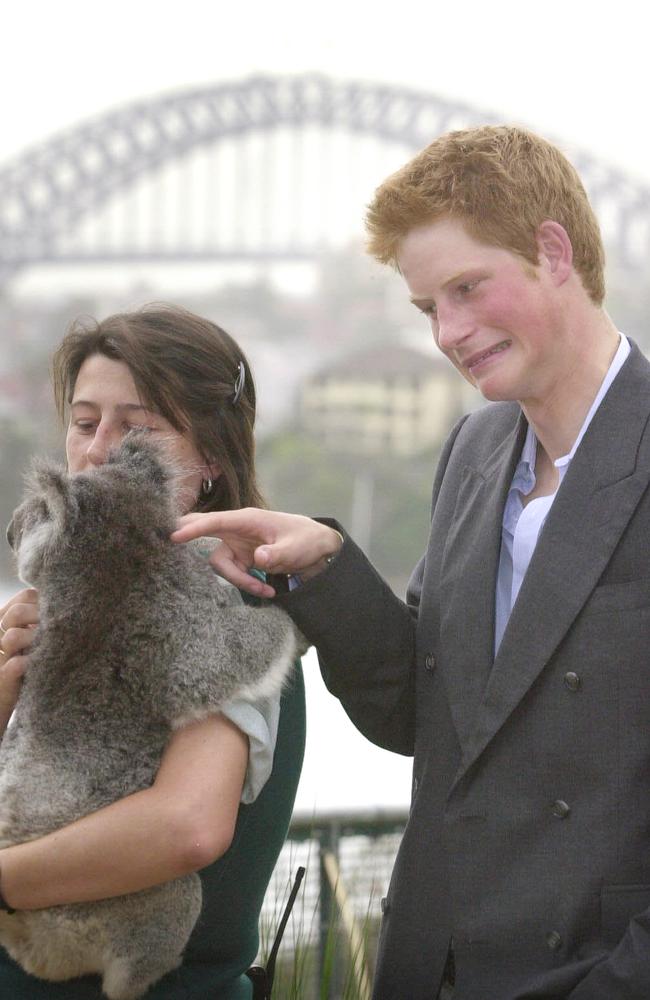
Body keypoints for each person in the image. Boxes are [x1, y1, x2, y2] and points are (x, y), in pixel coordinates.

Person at [172, 125, 650, 999]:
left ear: (553, 252)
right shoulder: (474, 449)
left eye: (468, 288)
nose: (450, 334)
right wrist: (323, 569)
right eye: (430, 309)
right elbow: (427, 715)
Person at [0, 304, 305, 999]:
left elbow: (187, 826)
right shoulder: (64, 599)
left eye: (137, 429)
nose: (100, 450)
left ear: (210, 459)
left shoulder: (224, 598)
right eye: (83, 424)